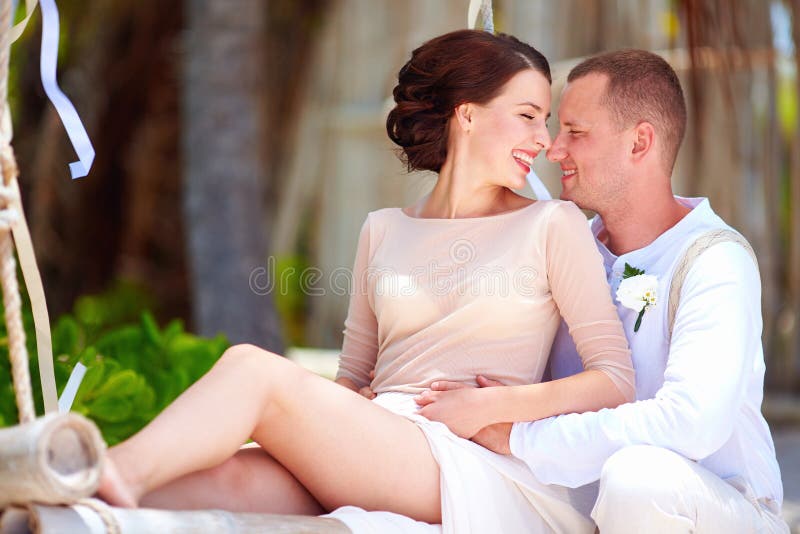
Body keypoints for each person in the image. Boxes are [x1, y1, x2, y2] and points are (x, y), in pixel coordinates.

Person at [96, 30, 635, 533]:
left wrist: (494, 407)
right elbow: (352, 376)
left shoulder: (550, 225)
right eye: (528, 116)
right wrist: (343, 410)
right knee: (211, 482)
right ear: (466, 115)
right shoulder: (383, 228)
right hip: (378, 441)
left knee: (250, 368)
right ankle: (56, 501)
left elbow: (615, 379)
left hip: (464, 459)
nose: (544, 140)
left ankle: (93, 465)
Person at [418, 49, 788, 533]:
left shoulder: (715, 260)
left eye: (576, 132)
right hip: (574, 510)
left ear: (639, 143)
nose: (553, 149)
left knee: (638, 479)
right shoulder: (565, 248)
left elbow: (690, 424)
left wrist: (522, 438)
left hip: (713, 512)